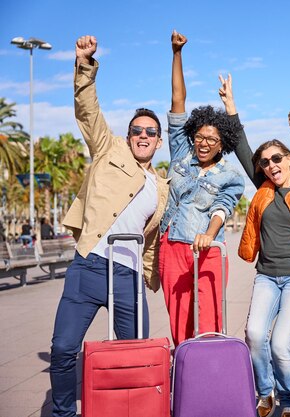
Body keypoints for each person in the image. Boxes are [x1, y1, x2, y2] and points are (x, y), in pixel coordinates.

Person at [50, 35, 169, 417]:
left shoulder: (161, 186)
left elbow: (152, 240)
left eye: (151, 132)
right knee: (64, 348)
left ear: (159, 141)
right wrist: (85, 65)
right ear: (129, 134)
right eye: (137, 130)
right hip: (89, 265)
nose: (143, 136)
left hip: (129, 276)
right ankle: (65, 412)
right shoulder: (108, 148)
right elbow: (87, 110)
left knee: (134, 354)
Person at [221, 71, 290, 417]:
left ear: (289, 159)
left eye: (277, 158)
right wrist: (230, 105)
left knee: (281, 343)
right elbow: (240, 146)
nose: (271, 165)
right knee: (253, 335)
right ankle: (265, 393)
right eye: (265, 162)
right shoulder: (263, 187)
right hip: (266, 274)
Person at [159, 31, 244, 346]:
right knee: (179, 321)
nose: (205, 143)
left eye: (213, 139)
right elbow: (177, 102)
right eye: (200, 136)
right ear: (193, 135)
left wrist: (209, 232)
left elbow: (223, 206)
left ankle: (210, 373)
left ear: (223, 143)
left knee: (209, 321)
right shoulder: (182, 153)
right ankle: (184, 373)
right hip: (172, 246)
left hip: (207, 249)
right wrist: (177, 54)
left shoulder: (230, 174)